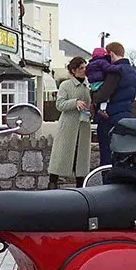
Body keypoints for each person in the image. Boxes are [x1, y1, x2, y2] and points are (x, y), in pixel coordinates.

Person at [90, 42, 136, 165]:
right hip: (126, 116)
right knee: (122, 155)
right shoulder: (133, 72)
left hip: (109, 118)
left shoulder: (114, 71)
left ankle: (107, 182)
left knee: (107, 156)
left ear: (111, 54)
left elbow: (103, 95)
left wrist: (93, 95)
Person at [47, 57, 92, 189]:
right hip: (68, 126)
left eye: (85, 67)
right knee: (60, 157)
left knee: (81, 158)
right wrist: (75, 102)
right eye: (81, 68)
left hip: (83, 125)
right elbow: (59, 105)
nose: (84, 70)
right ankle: (52, 184)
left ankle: (80, 187)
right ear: (73, 70)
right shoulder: (65, 85)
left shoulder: (88, 85)